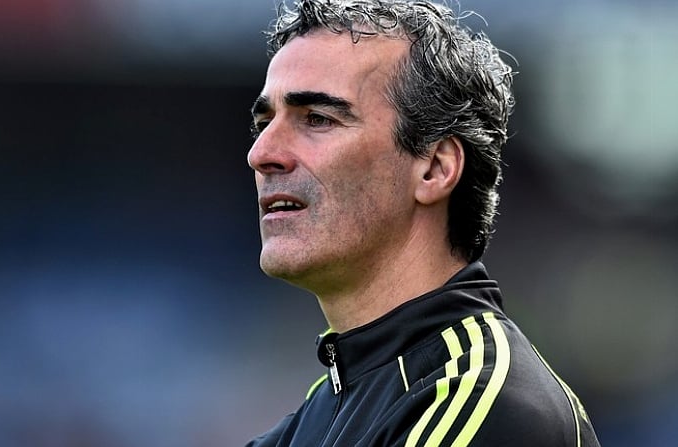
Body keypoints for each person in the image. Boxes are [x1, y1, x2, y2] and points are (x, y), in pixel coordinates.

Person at [244, 0, 601, 446]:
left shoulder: (482, 400)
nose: (261, 154)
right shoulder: (320, 412)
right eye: (264, 122)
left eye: (318, 119)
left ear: (434, 168)